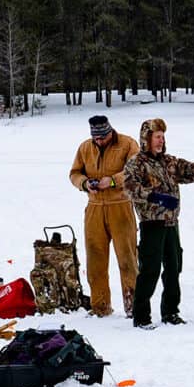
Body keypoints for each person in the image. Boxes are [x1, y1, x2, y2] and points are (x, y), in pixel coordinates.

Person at [122, 117, 194, 328]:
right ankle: (141, 316)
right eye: (157, 137)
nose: (160, 141)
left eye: (162, 137)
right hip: (152, 224)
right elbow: (129, 188)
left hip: (171, 224)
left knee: (173, 268)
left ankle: (170, 312)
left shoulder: (168, 161)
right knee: (150, 270)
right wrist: (155, 197)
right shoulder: (137, 163)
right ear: (146, 139)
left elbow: (188, 172)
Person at [68, 114, 140, 317]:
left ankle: (133, 305)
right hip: (94, 208)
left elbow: (136, 171)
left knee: (127, 258)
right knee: (95, 259)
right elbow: (74, 173)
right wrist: (84, 183)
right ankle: (100, 307)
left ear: (110, 132)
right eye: (96, 138)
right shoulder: (85, 148)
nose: (99, 141)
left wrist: (114, 181)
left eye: (102, 137)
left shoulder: (127, 144)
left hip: (121, 206)